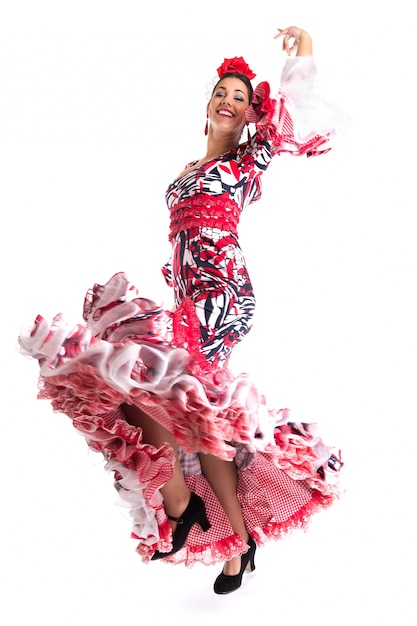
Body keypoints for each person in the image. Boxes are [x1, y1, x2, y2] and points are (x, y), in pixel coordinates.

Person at [18, 25, 344, 595]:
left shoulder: (248, 161)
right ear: (208, 102)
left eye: (241, 98)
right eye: (222, 91)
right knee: (189, 413)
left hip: (221, 295)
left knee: (164, 398)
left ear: (249, 117)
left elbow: (300, 124)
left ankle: (185, 505)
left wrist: (306, 53)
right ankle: (237, 543)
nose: (228, 100)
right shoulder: (190, 170)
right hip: (189, 298)